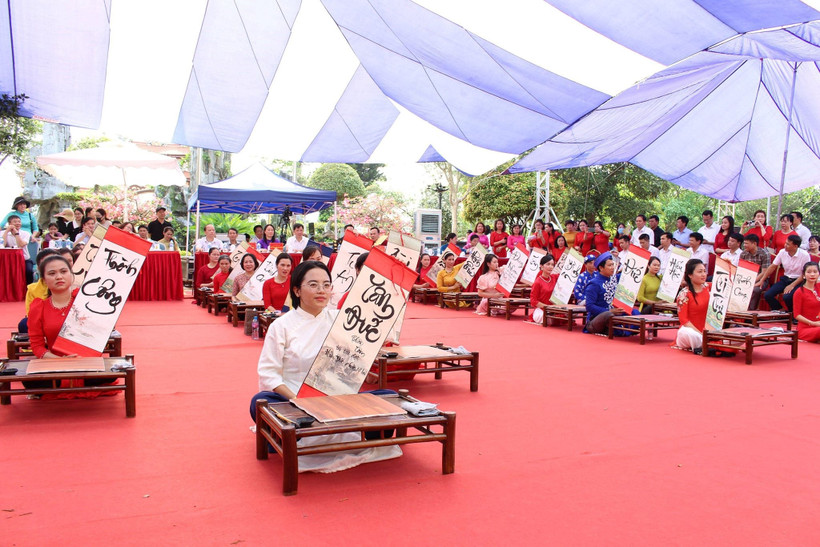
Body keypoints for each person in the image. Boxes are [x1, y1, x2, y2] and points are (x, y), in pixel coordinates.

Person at [250, 261, 401, 473]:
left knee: (388, 396)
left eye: (326, 285)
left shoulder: (342, 320)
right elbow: (269, 373)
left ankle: (296, 434)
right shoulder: (281, 326)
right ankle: (314, 430)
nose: (321, 290)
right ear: (297, 290)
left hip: (339, 400)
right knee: (258, 403)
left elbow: (353, 358)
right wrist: (298, 400)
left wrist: (366, 374)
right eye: (313, 284)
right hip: (296, 401)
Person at [758, 234, 810, 312]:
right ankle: (781, 310)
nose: (785, 245)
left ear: (795, 246)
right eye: (785, 243)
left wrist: (792, 285)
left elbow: (805, 273)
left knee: (787, 297)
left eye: (788, 244)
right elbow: (773, 266)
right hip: (786, 279)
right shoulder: (782, 252)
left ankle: (793, 314)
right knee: (768, 295)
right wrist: (762, 280)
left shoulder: (804, 255)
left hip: (799, 280)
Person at [675, 259, 712, 354]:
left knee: (738, 336)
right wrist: (701, 334)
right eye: (700, 272)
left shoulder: (709, 287)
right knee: (686, 333)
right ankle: (708, 342)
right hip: (692, 334)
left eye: (704, 271)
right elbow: (684, 321)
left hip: (709, 331)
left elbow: (726, 284)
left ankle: (709, 342)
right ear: (690, 275)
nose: (704, 274)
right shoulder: (684, 294)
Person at [584, 252, 626, 335]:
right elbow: (589, 306)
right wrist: (610, 311)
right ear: (601, 268)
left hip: (614, 313)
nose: (612, 268)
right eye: (609, 265)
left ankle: (621, 329)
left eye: (613, 265)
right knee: (608, 315)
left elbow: (627, 274)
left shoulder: (614, 279)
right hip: (597, 318)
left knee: (635, 313)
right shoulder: (594, 284)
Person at [740, 234, 771, 310]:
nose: (744, 245)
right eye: (744, 243)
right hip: (745, 278)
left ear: (754, 244)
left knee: (754, 290)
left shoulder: (764, 254)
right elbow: (741, 269)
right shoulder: (743, 254)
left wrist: (752, 281)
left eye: (747, 243)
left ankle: (750, 312)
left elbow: (764, 272)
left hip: (761, 279)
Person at [792, 262, 820, 342]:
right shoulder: (799, 292)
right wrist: (813, 323)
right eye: (809, 272)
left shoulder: (819, 287)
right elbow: (797, 315)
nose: (812, 274)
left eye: (815, 272)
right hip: (806, 328)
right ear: (803, 275)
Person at [3, 213, 34, 283]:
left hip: (24, 259)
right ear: (9, 223)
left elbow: (21, 244)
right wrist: (7, 231)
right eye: (15, 222)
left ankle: (28, 289)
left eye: (19, 222)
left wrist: (17, 233)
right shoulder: (4, 233)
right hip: (10, 260)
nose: (18, 223)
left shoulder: (25, 233)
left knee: (28, 271)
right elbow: (3, 244)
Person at [529, 254, 556, 323]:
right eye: (548, 264)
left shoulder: (554, 277)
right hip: (542, 308)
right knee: (541, 317)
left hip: (554, 308)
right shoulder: (538, 282)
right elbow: (533, 300)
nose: (551, 267)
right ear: (541, 266)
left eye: (552, 265)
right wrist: (546, 307)